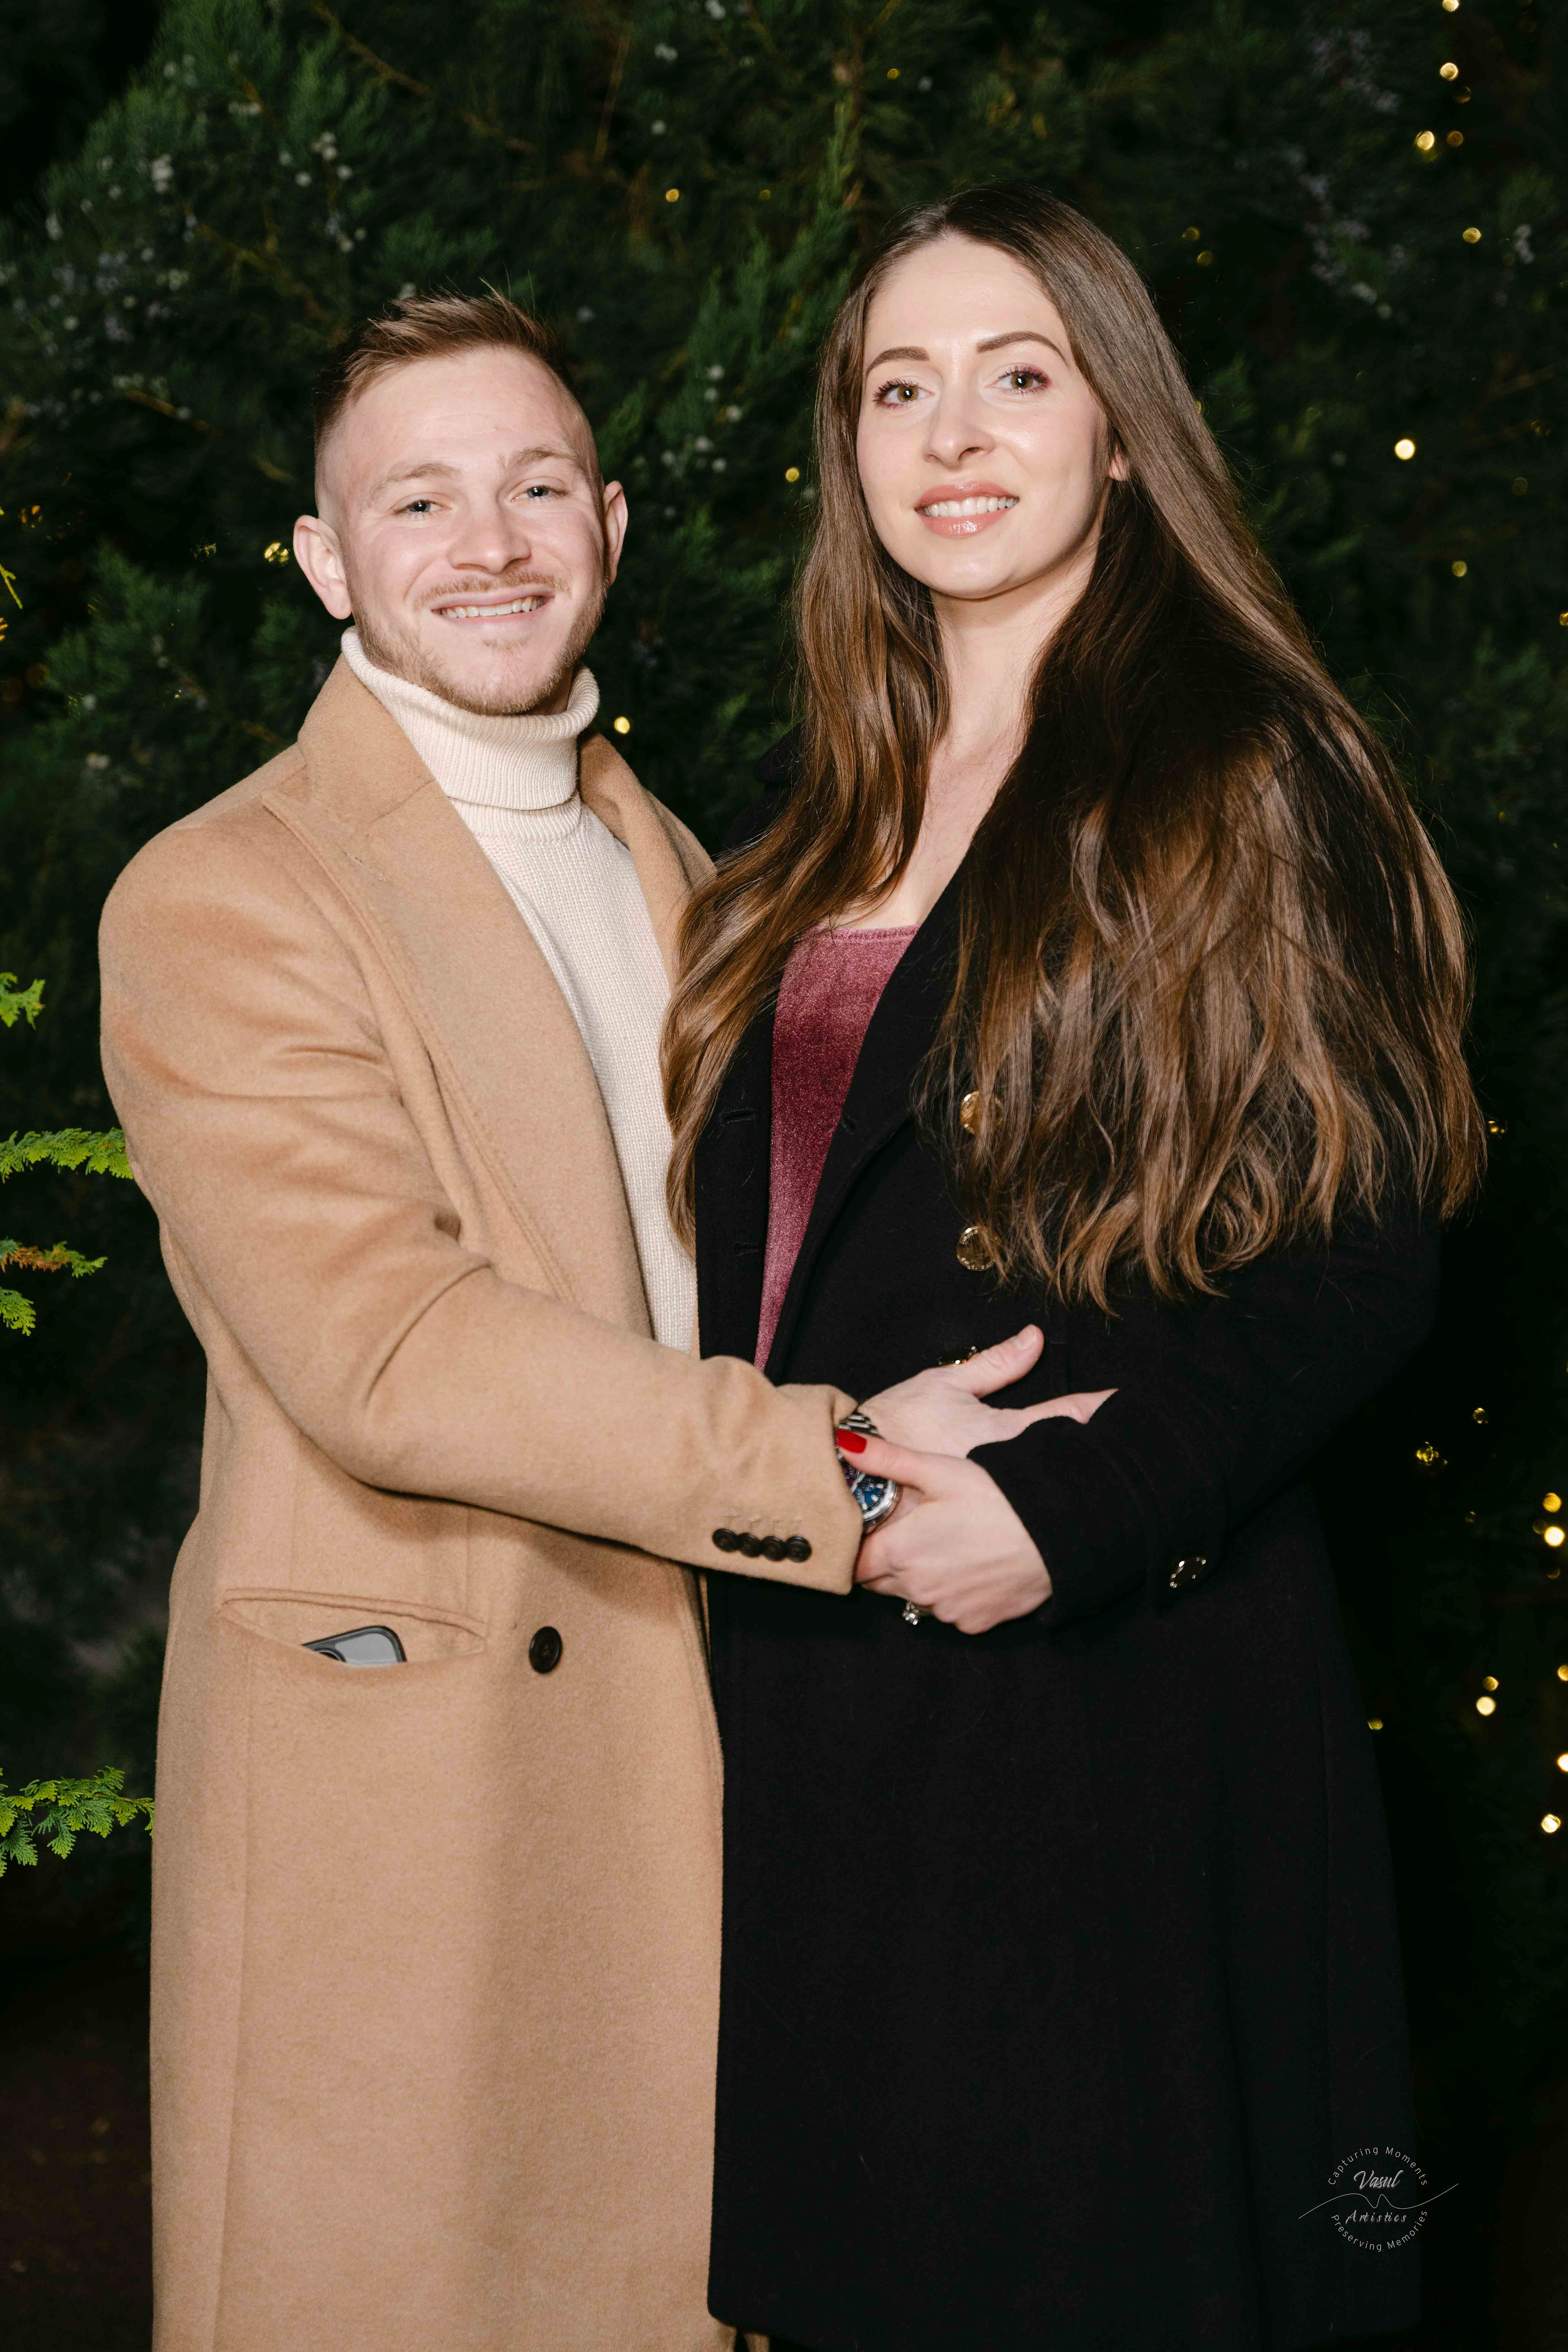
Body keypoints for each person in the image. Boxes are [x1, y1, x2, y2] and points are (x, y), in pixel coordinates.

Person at [96, 290, 1071, 2352]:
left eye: (538, 486)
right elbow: (389, 1352)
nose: (489, 543)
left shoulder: (684, 866)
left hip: (700, 1716)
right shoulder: (225, 892)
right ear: (325, 560)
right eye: (418, 502)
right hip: (423, 1771)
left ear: (609, 527)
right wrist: (844, 1468)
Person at [662, 185, 1485, 2352]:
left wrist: (1074, 1510)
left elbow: (1365, 1252)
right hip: (820, 1695)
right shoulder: (804, 817)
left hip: (1103, 1701)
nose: (953, 434)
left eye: (1018, 374)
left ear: (1120, 429)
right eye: (898, 387)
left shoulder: (1239, 769)